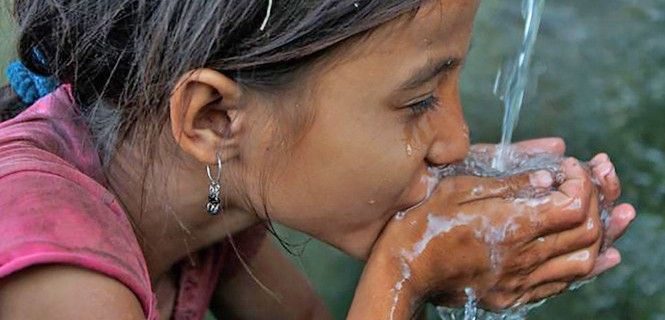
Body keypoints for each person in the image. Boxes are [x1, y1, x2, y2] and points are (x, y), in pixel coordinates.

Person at [0, 1, 635, 319]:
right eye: (418, 101)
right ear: (213, 118)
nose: (456, 142)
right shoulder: (59, 283)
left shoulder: (204, 191)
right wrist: (407, 266)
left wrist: (454, 230)